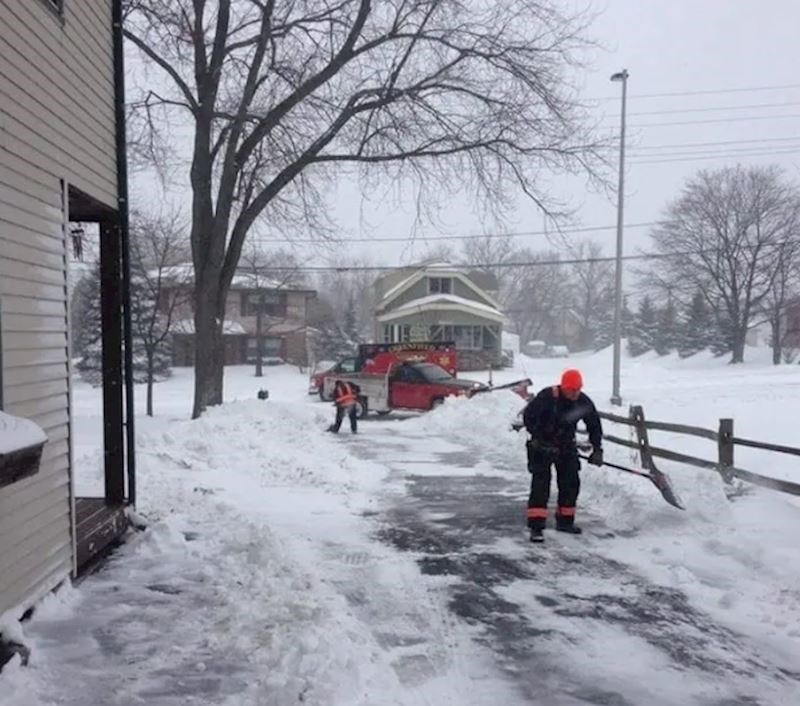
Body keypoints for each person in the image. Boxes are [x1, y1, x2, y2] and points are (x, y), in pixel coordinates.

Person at [522, 369, 603, 542]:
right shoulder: (547, 397)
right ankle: (536, 526)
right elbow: (528, 417)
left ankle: (565, 521)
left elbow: (594, 425)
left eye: (578, 389)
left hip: (566, 446)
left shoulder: (583, 402)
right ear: (563, 386)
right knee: (541, 484)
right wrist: (542, 439)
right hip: (541, 446)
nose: (575, 393)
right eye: (571, 390)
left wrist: (597, 449)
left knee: (570, 483)